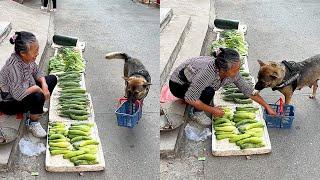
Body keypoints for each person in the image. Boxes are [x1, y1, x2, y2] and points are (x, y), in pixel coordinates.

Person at [169, 47, 277, 126]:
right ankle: (197, 113)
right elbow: (190, 98)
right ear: (224, 70)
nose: (238, 72)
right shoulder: (207, 73)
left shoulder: (233, 73)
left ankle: (199, 102)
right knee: (209, 91)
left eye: (239, 68)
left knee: (208, 90)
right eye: (235, 70)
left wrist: (267, 107)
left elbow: (248, 91)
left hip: (192, 83)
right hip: (178, 85)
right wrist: (212, 110)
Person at [0, 31, 57, 138]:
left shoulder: (28, 59)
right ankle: (32, 123)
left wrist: (44, 85)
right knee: (38, 95)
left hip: (23, 90)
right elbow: (18, 95)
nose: (37, 54)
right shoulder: (13, 66)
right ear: (23, 53)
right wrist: (37, 88)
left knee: (51, 79)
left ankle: (35, 109)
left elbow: (37, 72)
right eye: (35, 51)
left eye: (38, 50)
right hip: (10, 103)